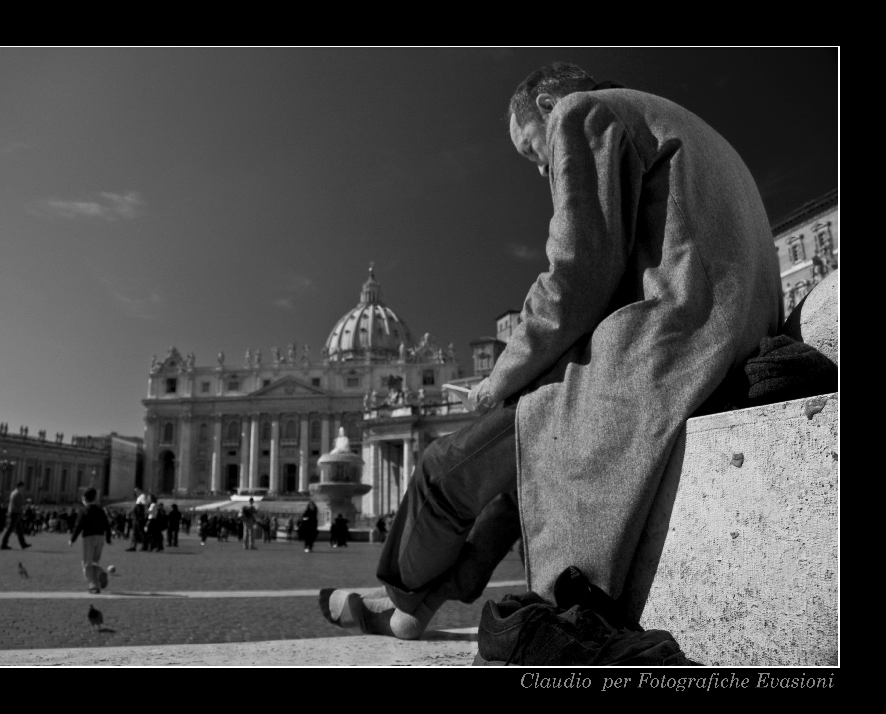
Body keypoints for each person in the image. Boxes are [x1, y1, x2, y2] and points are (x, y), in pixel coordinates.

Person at [322, 62, 781, 640]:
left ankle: (399, 597)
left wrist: (503, 374)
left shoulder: (581, 112)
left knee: (442, 471)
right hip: (727, 342)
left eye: (531, 152)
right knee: (524, 473)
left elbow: (577, 272)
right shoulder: (691, 133)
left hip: (664, 351)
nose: (542, 168)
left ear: (544, 104)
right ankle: (420, 607)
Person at [68, 487, 112, 593]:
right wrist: (108, 538)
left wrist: (72, 539)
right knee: (94, 562)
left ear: (84, 498)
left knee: (87, 564)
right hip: (100, 538)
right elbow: (107, 525)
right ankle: (100, 573)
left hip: (89, 538)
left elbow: (79, 526)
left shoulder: (84, 511)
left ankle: (94, 585)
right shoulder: (100, 510)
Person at [0, 482, 31, 550]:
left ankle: (23, 544)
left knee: (19, 530)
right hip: (15, 512)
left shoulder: (14, 493)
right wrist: (27, 501)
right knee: (11, 529)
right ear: (20, 487)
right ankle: (3, 544)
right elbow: (20, 503)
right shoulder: (16, 494)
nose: (23, 489)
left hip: (15, 512)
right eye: (22, 487)